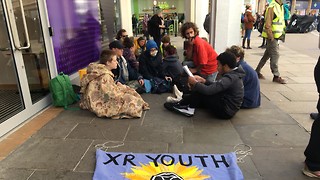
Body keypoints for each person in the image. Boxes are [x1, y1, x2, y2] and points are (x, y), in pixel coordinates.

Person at [164, 52, 245, 119]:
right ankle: (182, 101)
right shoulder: (233, 75)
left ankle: (187, 108)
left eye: (218, 65)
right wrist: (204, 81)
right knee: (201, 90)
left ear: (226, 66)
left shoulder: (230, 78)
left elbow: (209, 90)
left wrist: (195, 83)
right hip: (227, 107)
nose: (217, 68)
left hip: (225, 111)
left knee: (201, 91)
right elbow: (217, 86)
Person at [79, 49, 149, 119]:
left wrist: (118, 87)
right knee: (130, 98)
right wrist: (121, 89)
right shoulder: (105, 75)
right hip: (102, 101)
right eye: (115, 60)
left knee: (129, 91)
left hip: (96, 98)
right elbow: (108, 95)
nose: (117, 62)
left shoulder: (99, 71)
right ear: (108, 63)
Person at [255, 0, 287, 84]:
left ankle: (257, 71)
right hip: (272, 36)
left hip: (276, 36)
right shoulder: (272, 7)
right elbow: (268, 23)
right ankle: (276, 76)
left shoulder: (280, 6)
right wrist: (271, 36)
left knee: (267, 55)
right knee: (275, 55)